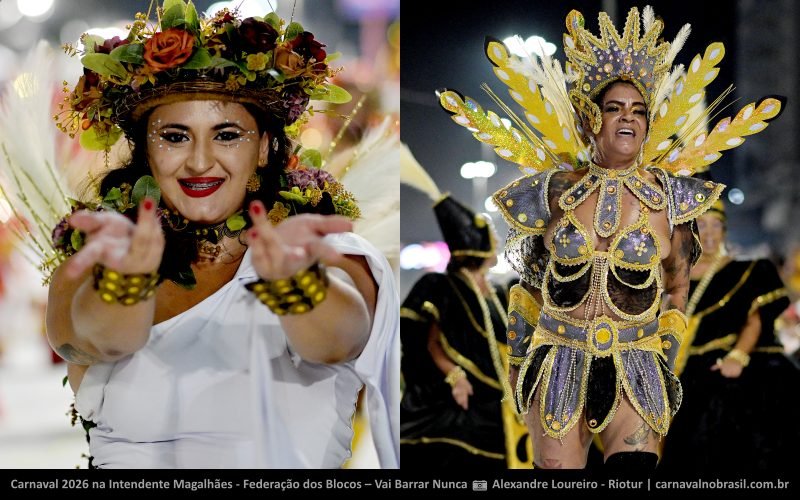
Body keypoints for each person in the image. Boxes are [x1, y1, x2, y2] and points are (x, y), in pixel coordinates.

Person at [39, 1, 399, 468]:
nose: (199, 161)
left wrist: (297, 285)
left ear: (265, 147)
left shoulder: (333, 257)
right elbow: (97, 340)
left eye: (227, 135)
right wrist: (125, 283)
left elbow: (337, 341)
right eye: (175, 136)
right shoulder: (91, 264)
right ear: (144, 149)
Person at [437, 6, 783, 472]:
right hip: (559, 360)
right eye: (614, 108)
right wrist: (519, 364)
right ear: (590, 119)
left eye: (638, 111)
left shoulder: (670, 201)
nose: (628, 118)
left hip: (636, 365)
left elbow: (678, 286)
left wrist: (665, 352)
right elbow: (528, 287)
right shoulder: (553, 192)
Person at [659, 199, 799, 476]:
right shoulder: (671, 276)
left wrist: (737, 356)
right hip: (672, 368)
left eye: (717, 225)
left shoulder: (748, 270)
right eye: (702, 225)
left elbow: (755, 320)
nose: (710, 233)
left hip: (721, 364)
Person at [399, 190, 529, 468]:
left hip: (503, 394)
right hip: (465, 393)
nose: (496, 240)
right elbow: (430, 341)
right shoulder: (442, 285)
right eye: (490, 236)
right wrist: (456, 377)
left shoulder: (498, 291)